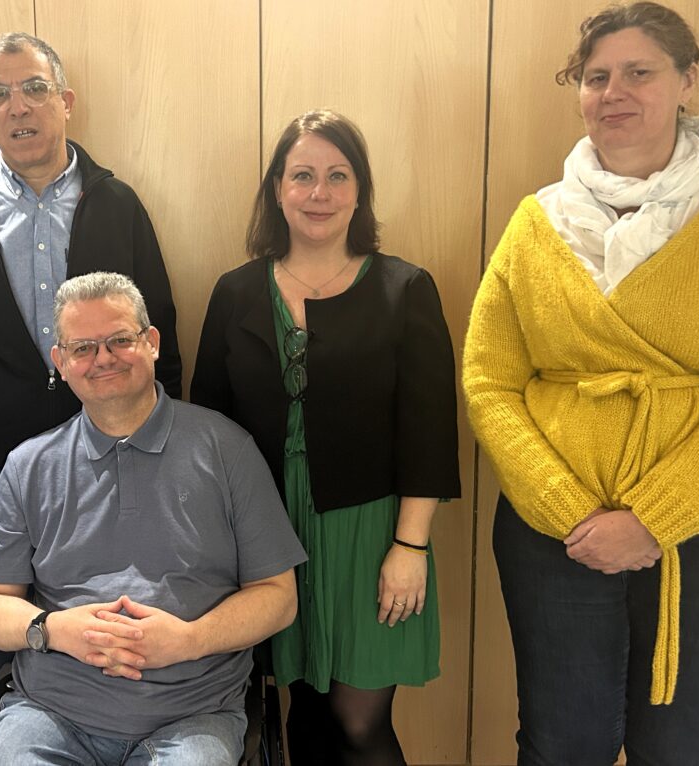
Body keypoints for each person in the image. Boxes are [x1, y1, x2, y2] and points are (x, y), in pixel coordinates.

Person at [462, 3, 699, 763]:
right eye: (597, 76)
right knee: (562, 745)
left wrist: (655, 518)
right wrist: (567, 510)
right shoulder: (539, 223)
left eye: (639, 72)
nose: (613, 91)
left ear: (688, 81)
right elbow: (489, 377)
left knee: (682, 747)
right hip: (558, 533)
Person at [0, 32, 182, 705]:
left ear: (65, 102)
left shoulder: (115, 203)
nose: (18, 106)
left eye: (34, 88)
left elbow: (161, 330)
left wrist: (166, 445)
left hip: (103, 457)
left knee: (102, 631)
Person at [192, 110, 461, 765]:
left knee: (360, 723)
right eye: (303, 176)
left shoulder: (406, 289)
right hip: (264, 538)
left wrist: (409, 547)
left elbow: (429, 433)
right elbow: (206, 428)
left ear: (359, 191)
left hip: (371, 535)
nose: (320, 193)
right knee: (300, 710)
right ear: (277, 190)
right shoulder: (235, 293)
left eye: (338, 176)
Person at [0, 272, 304, 765]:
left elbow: (278, 597)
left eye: (120, 340)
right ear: (60, 362)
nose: (102, 358)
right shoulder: (29, 465)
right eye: (82, 348)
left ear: (152, 343)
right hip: (50, 714)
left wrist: (188, 641)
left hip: (193, 717)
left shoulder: (228, 450)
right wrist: (54, 629)